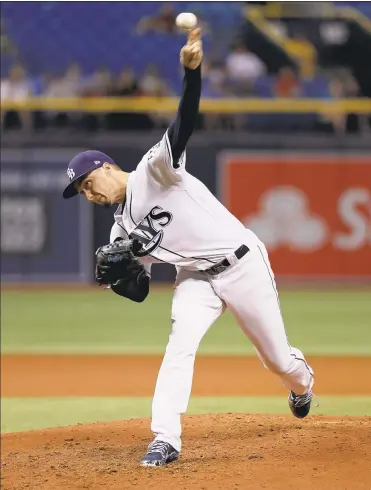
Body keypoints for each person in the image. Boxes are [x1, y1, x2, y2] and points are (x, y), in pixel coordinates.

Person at [62, 28, 314, 467]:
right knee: (180, 343)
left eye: (87, 183)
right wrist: (120, 276)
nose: (88, 193)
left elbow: (184, 122)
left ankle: (302, 384)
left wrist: (191, 74)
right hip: (195, 278)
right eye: (81, 191)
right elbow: (138, 290)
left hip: (241, 263)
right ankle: (166, 437)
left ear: (106, 167)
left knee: (277, 359)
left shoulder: (152, 171)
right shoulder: (119, 231)